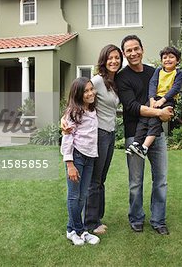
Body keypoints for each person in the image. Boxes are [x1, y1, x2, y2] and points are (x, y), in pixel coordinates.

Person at [115, 35, 173, 235]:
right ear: (124, 54)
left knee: (161, 179)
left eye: (136, 49)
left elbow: (165, 96)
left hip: (156, 134)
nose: (133, 53)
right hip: (135, 136)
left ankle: (158, 220)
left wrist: (167, 111)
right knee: (135, 181)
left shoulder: (154, 72)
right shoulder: (122, 77)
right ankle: (136, 217)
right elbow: (131, 107)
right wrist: (159, 112)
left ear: (142, 49)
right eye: (128, 50)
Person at [84, 44, 122, 235]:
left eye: (117, 58)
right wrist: (68, 120)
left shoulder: (113, 82)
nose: (114, 61)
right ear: (104, 61)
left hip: (110, 133)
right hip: (99, 134)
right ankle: (90, 223)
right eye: (110, 58)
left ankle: (97, 218)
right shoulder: (97, 81)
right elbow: (81, 97)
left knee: (101, 179)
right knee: (95, 180)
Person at [60, 77, 101, 246]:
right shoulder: (73, 112)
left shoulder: (91, 110)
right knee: (74, 196)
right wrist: (70, 164)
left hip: (90, 157)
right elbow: (67, 137)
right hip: (76, 157)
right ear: (78, 93)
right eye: (86, 91)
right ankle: (79, 230)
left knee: (83, 196)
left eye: (91, 89)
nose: (90, 93)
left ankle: (73, 229)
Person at [126, 46, 182, 158]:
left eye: (171, 57)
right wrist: (152, 99)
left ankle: (145, 147)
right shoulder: (158, 71)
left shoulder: (178, 73)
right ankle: (136, 143)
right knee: (143, 119)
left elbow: (175, 88)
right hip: (154, 98)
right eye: (165, 57)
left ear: (177, 60)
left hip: (168, 100)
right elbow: (152, 84)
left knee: (154, 122)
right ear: (161, 60)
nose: (168, 60)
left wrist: (162, 100)